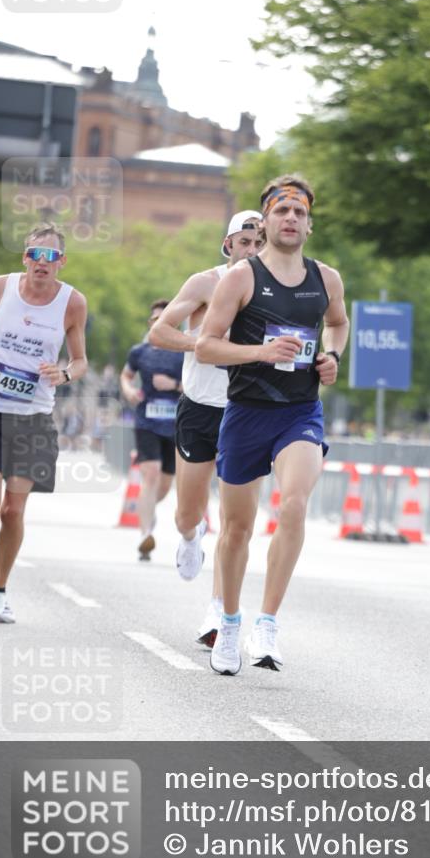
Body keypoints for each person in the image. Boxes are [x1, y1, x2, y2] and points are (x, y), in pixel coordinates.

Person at [196, 175, 349, 674]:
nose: (290, 219)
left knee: (295, 505)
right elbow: (206, 345)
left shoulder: (325, 279)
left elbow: (338, 323)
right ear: (266, 221)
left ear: (309, 224)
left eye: (299, 213)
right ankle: (231, 621)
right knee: (236, 530)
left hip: (299, 412)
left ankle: (268, 623)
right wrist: (260, 352)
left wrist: (331, 357)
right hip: (246, 413)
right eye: (281, 211)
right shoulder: (241, 277)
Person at [148, 211, 265, 645]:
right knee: (187, 511)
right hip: (200, 406)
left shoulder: (275, 289)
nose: (252, 250)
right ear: (228, 244)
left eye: (259, 242)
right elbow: (160, 332)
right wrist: (200, 344)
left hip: (249, 410)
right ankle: (189, 533)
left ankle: (218, 612)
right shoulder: (205, 283)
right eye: (244, 242)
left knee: (236, 523)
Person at [0, 223, 88, 622]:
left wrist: (64, 375)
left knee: (13, 512)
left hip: (34, 417)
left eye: (50, 256)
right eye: (35, 255)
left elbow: (79, 360)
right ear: (25, 257)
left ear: (61, 262)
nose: (42, 263)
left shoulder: (72, 303)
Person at [120, 300, 184, 561]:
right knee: (150, 474)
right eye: (153, 320)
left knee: (164, 485)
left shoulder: (185, 352)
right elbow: (125, 375)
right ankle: (146, 533)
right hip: (146, 420)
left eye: (163, 319)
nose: (157, 323)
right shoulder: (139, 351)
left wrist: (174, 384)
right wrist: (128, 391)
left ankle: (146, 510)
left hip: (176, 423)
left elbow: (196, 386)